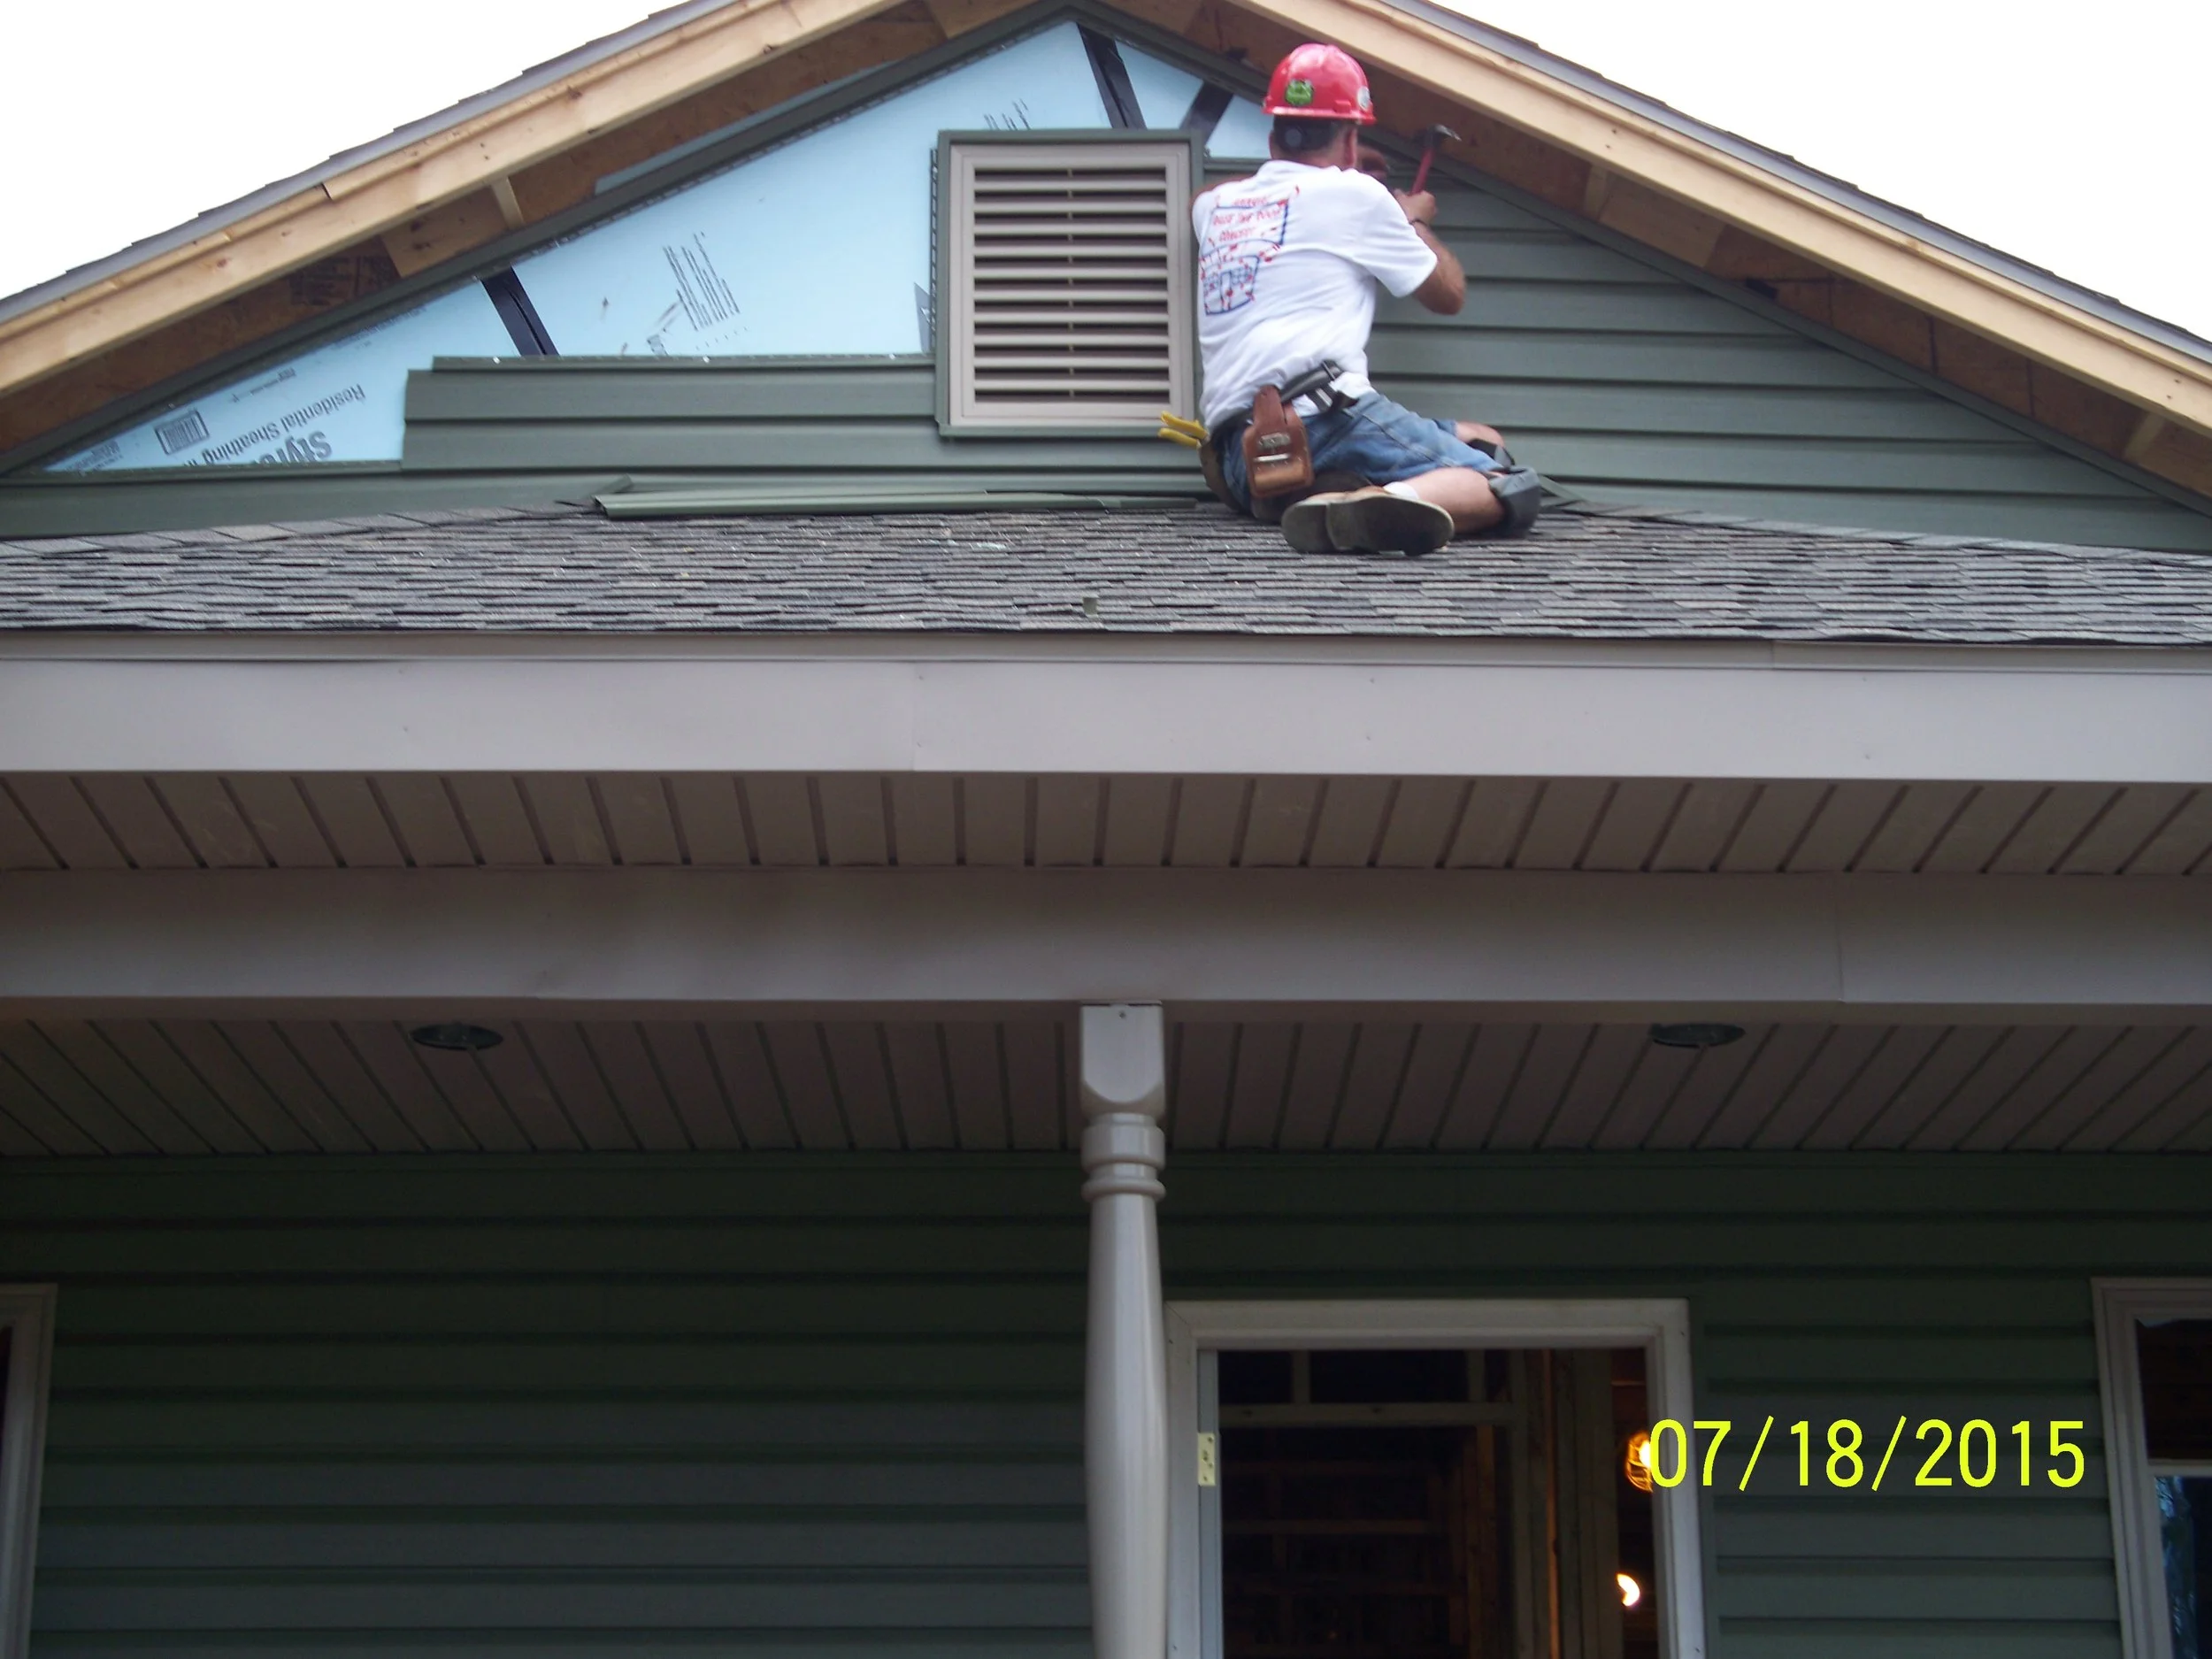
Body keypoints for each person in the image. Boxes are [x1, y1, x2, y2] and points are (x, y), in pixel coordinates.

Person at [1193, 42, 1542, 555]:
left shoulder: (1213, 206)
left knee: (1481, 436)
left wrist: (1328, 180)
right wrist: (1411, 217)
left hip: (1240, 462)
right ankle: (1383, 503)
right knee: (1506, 484)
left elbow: (1219, 201)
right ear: (1351, 139)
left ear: (1273, 137)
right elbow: (1448, 295)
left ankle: (1334, 501)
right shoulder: (1358, 197)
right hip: (1326, 422)